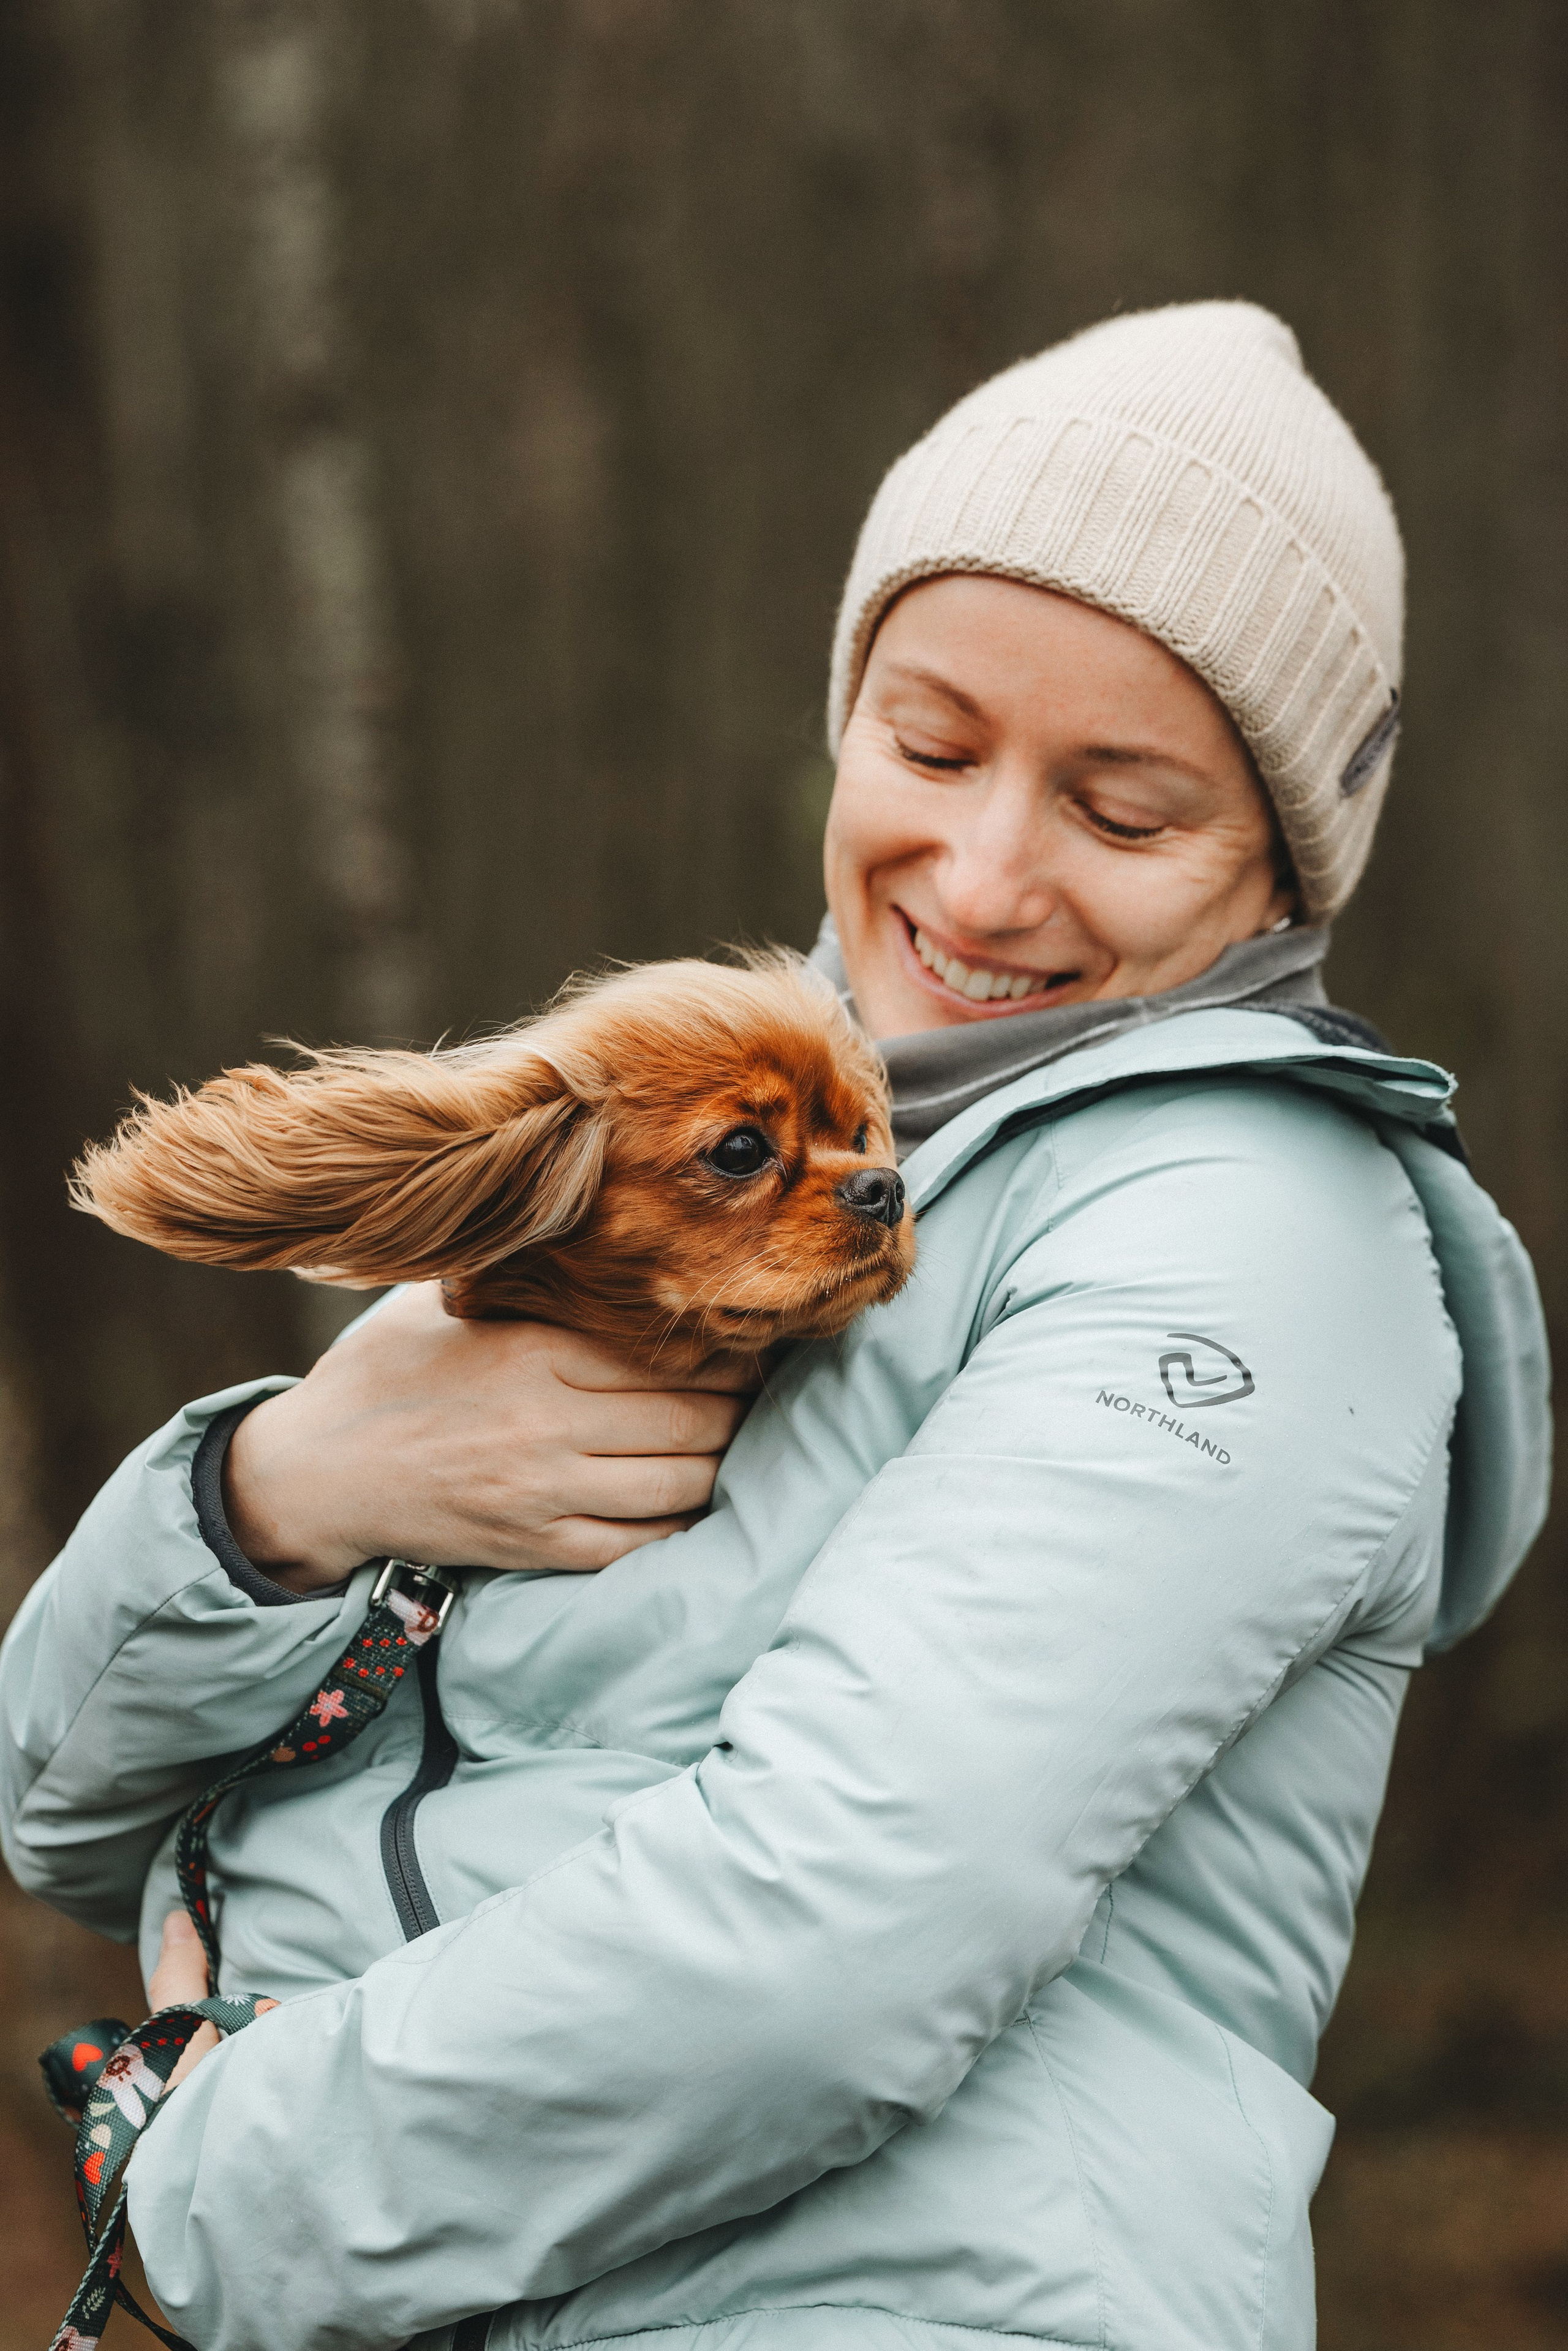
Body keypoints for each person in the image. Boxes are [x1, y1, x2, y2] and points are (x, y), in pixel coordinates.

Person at [0, 302, 1550, 2351]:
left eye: (1123, 807)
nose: (985, 878)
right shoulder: (700, 1142)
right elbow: (57, 1806)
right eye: (929, 745)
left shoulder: (1247, 1234)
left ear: (1283, 860)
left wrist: (210, 2178)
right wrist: (286, 1489)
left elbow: (842, 1930)